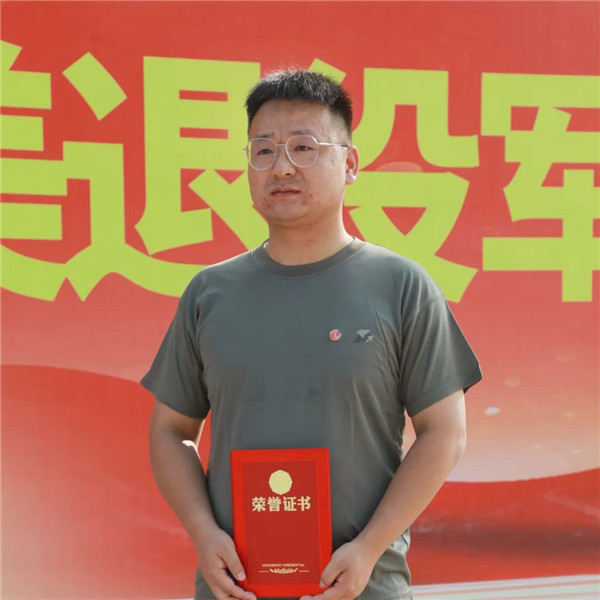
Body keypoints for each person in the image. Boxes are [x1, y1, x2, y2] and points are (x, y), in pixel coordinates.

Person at [142, 70, 482, 600]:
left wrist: (368, 548)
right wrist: (204, 534)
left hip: (363, 586)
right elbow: (171, 431)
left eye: (303, 147)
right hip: (236, 587)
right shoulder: (210, 292)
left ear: (350, 163)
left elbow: (444, 433)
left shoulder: (401, 286)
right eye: (263, 150)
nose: (281, 167)